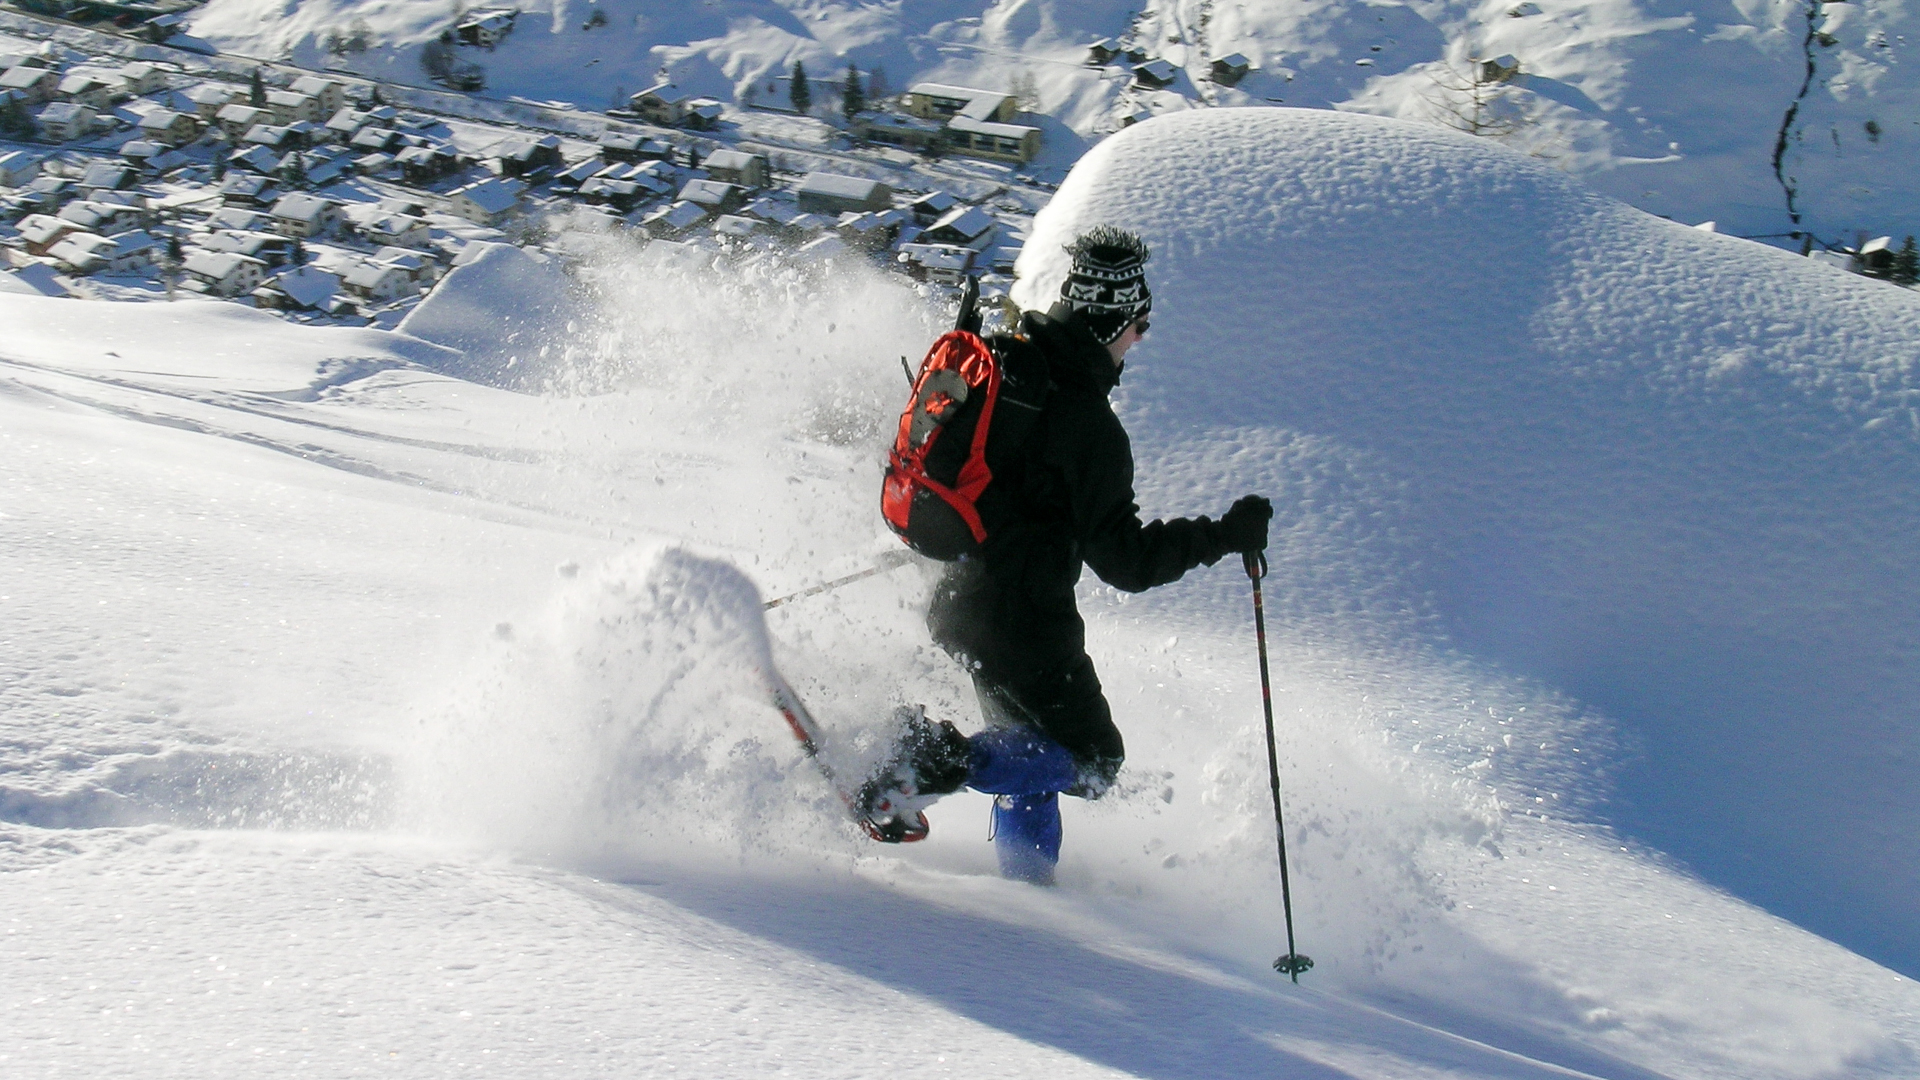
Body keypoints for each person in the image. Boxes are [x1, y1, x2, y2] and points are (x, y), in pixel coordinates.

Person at [902, 225, 1273, 884]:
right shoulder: (1090, 428)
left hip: (958, 603)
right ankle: (930, 756)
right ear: (1112, 323)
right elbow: (1127, 564)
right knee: (1093, 760)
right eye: (1141, 325)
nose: (1141, 340)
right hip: (1024, 623)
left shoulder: (1007, 367)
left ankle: (1027, 908)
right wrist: (1224, 533)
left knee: (1030, 757)